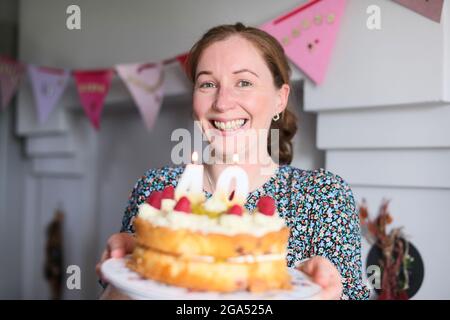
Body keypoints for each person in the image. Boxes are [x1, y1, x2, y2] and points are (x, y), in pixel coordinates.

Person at [96, 22, 370, 300]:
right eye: (207, 84)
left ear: (280, 98)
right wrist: (120, 282)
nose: (222, 102)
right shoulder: (155, 188)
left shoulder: (324, 195)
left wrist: (328, 295)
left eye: (244, 82)